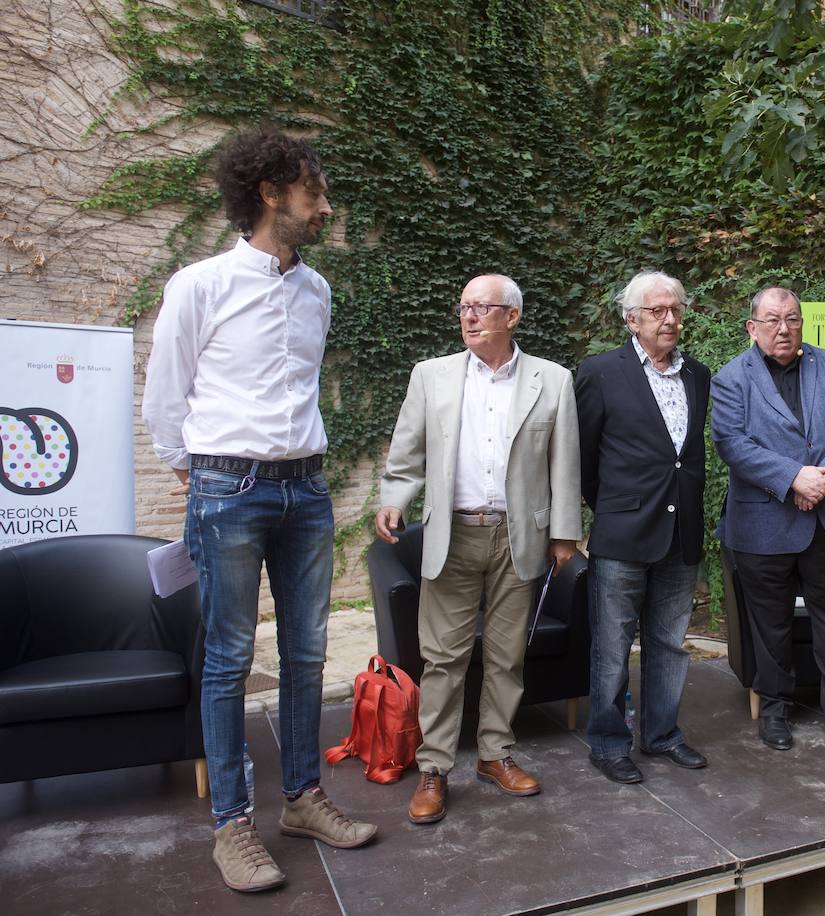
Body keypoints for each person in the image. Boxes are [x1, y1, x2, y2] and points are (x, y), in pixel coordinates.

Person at [144, 128, 376, 894]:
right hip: (229, 490)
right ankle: (232, 825)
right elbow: (165, 400)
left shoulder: (318, 291)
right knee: (228, 659)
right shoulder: (200, 284)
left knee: (308, 654)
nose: (325, 207)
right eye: (314, 193)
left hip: (306, 489)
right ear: (270, 193)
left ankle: (304, 799)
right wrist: (200, 472)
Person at [375, 273, 581, 825]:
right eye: (463, 306)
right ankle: (435, 767)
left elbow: (564, 461)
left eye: (481, 308)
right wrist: (395, 496)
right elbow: (407, 447)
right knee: (442, 658)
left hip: (521, 535)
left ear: (511, 316)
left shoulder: (552, 380)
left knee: (507, 655)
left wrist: (564, 533)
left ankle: (494, 754)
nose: (468, 317)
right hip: (453, 534)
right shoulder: (432, 376)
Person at [711, 286, 825, 752]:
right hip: (762, 525)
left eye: (792, 318)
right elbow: (732, 444)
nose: (783, 328)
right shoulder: (732, 378)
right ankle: (775, 711)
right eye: (772, 320)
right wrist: (795, 477)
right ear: (752, 327)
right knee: (770, 625)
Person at [575, 271, 711, 784]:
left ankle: (662, 735)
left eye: (675, 309)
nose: (670, 319)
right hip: (624, 532)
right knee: (612, 646)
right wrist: (611, 507)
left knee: (670, 642)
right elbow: (583, 459)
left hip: (682, 533)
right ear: (631, 319)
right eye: (657, 311)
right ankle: (609, 744)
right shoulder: (600, 372)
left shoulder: (699, 375)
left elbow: (686, 457)